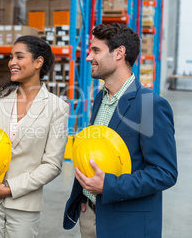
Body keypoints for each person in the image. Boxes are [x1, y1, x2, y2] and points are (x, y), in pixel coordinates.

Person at [63, 23, 178, 238]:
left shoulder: (150, 105)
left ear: (119, 53)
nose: (89, 57)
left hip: (126, 223)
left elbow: (165, 173)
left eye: (96, 50)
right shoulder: (100, 98)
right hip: (91, 215)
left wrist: (108, 185)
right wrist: (85, 196)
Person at [0, 35, 69, 238]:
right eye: (11, 57)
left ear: (38, 62)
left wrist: (9, 188)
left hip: (24, 203)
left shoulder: (57, 108)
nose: (12, 63)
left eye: (19, 57)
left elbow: (52, 164)